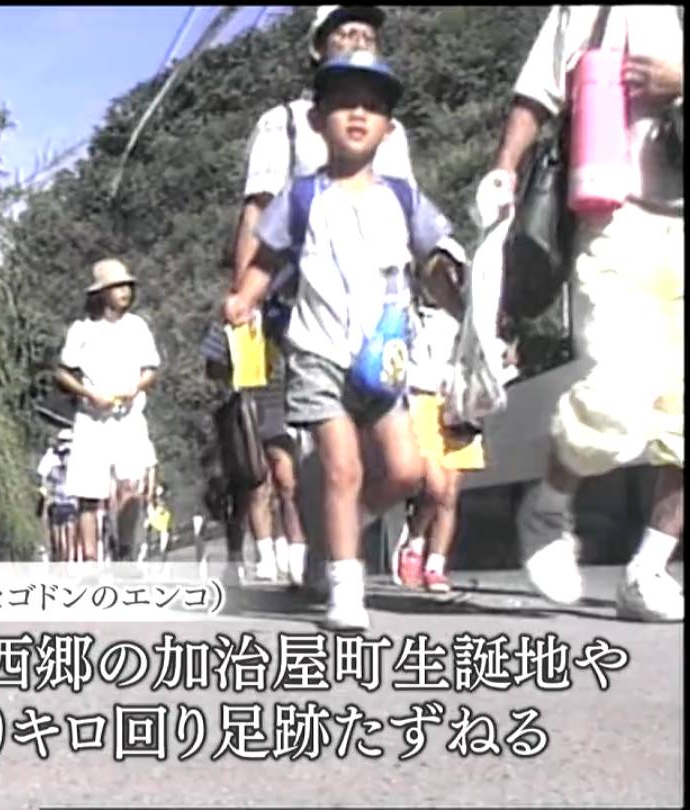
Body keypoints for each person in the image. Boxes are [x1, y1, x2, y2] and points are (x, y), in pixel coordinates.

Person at [225, 50, 467, 630]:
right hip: (318, 351)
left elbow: (433, 266)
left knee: (406, 472)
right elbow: (268, 258)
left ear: (389, 127)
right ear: (318, 120)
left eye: (373, 107)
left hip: (384, 359)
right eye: (344, 105)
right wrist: (245, 297)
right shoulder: (303, 197)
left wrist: (471, 316)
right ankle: (345, 587)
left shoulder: (403, 199)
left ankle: (335, 535)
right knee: (341, 468)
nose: (358, 115)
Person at [482, 5, 683, 621]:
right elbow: (536, 93)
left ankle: (648, 569)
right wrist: (503, 169)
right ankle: (548, 505)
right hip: (615, 215)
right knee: (615, 396)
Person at [213, 5, 419, 590]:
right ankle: (325, 556)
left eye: (367, 34)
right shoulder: (284, 122)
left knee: (386, 453)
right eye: (345, 32)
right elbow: (258, 211)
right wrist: (245, 296)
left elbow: (409, 215)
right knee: (318, 436)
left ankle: (331, 541)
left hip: (382, 307)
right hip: (298, 301)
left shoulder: (392, 131)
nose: (358, 40)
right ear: (317, 47)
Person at [55, 258, 163, 564]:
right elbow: (62, 372)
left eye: (127, 286)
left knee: (133, 486)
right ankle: (90, 558)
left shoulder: (137, 327)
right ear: (101, 293)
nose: (124, 292)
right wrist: (89, 393)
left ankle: (124, 550)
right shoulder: (82, 330)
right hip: (92, 420)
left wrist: (136, 387)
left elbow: (151, 370)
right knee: (89, 495)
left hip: (128, 419)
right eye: (117, 287)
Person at [393, 275, 485, 594]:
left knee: (450, 493)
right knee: (434, 486)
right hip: (420, 399)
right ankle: (414, 541)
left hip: (458, 404)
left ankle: (435, 565)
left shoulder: (469, 315)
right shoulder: (408, 313)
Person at [36, 429, 78, 562]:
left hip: (72, 505)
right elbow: (42, 483)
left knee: (68, 543)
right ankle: (46, 547)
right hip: (56, 505)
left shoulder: (79, 458)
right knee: (59, 543)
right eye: (63, 441)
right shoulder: (51, 458)